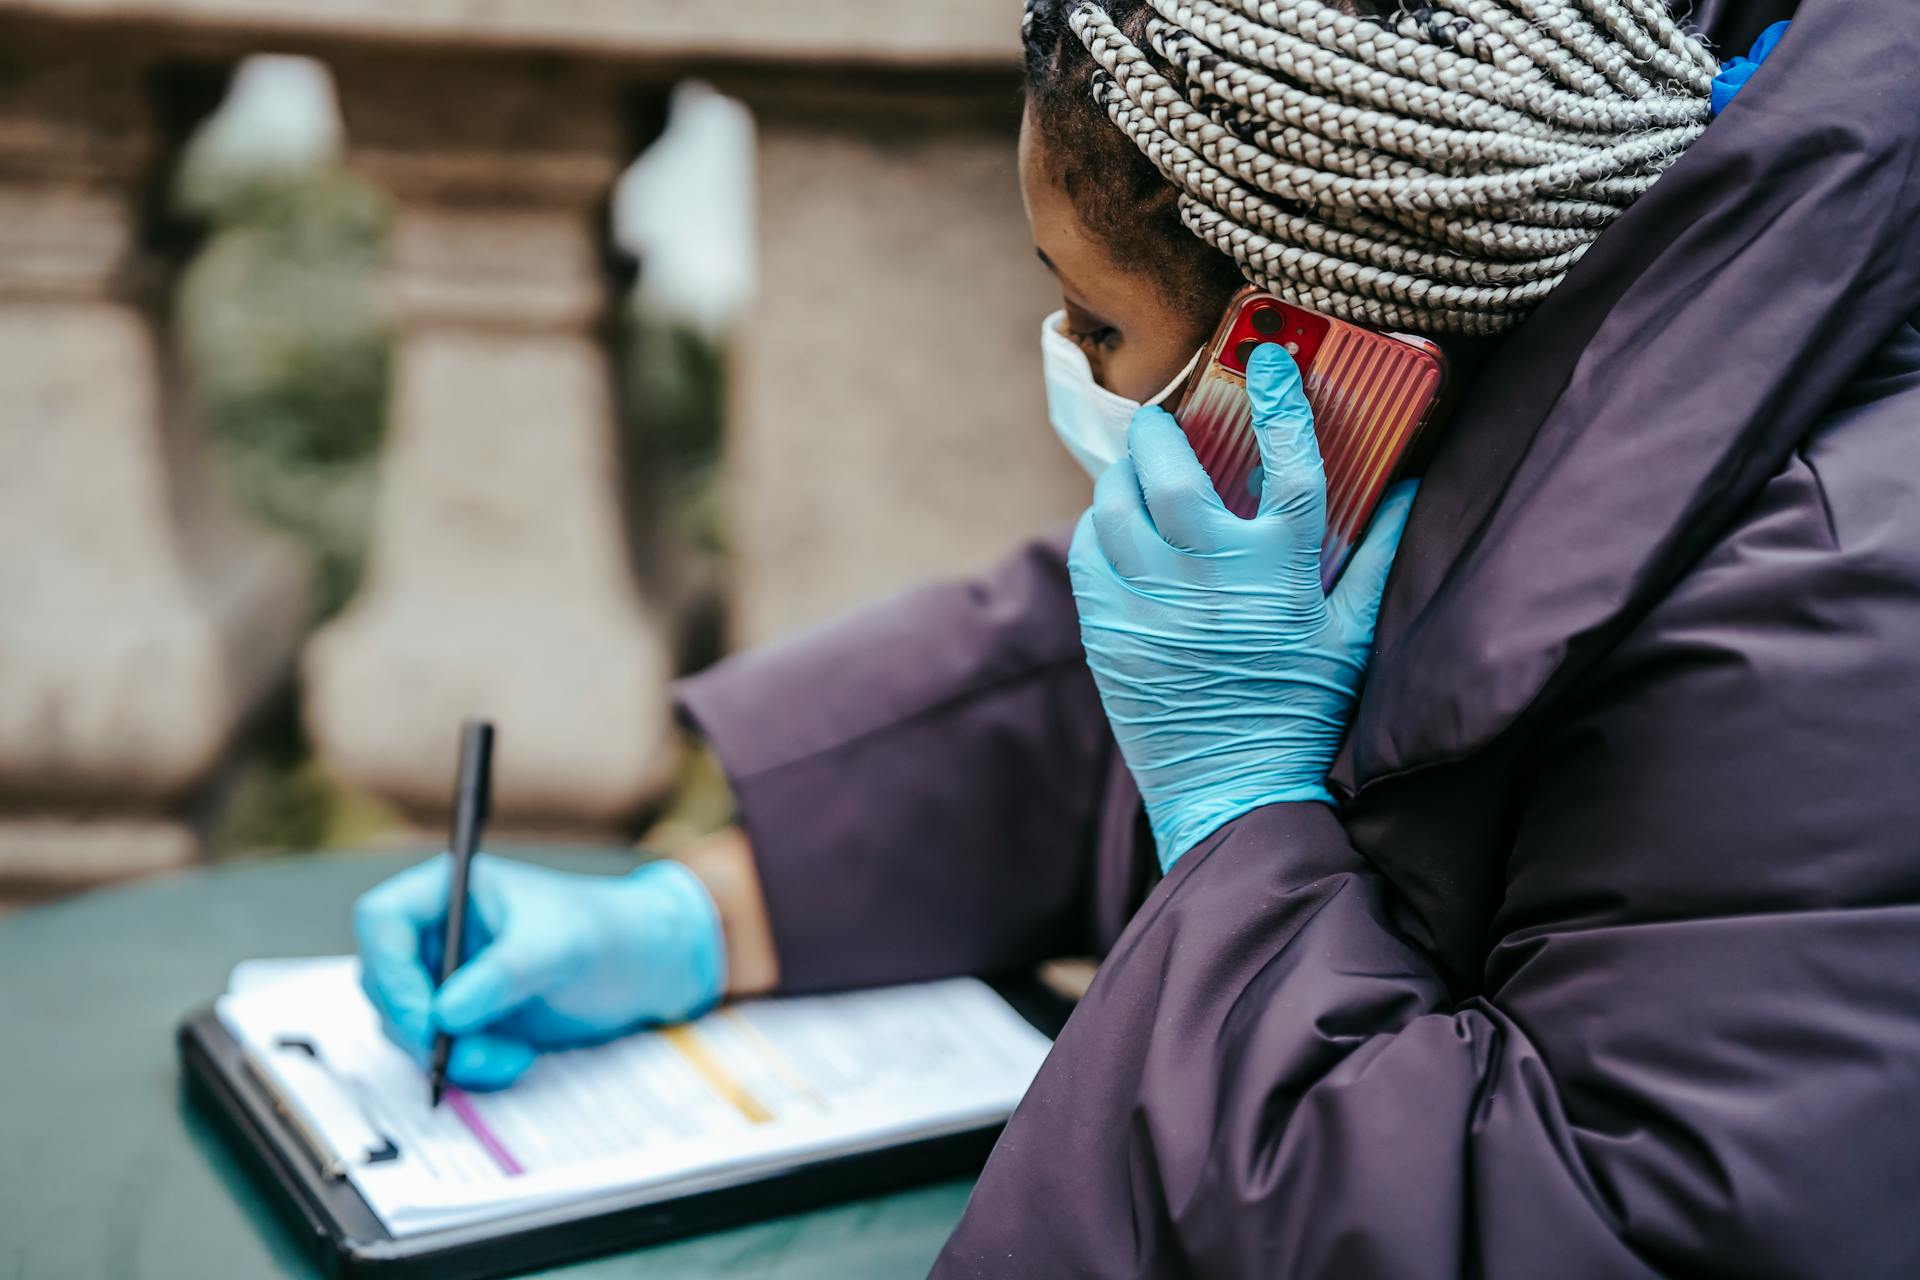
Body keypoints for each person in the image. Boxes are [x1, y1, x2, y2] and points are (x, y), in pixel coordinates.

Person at [355, 0, 1920, 1273]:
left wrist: (1243, 822)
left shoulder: (1832, 610)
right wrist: (703, 918)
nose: (1073, 368)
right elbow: (1148, 659)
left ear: (1305, 349)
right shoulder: (1554, 216)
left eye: (1096, 324)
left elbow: (1581, 1233)